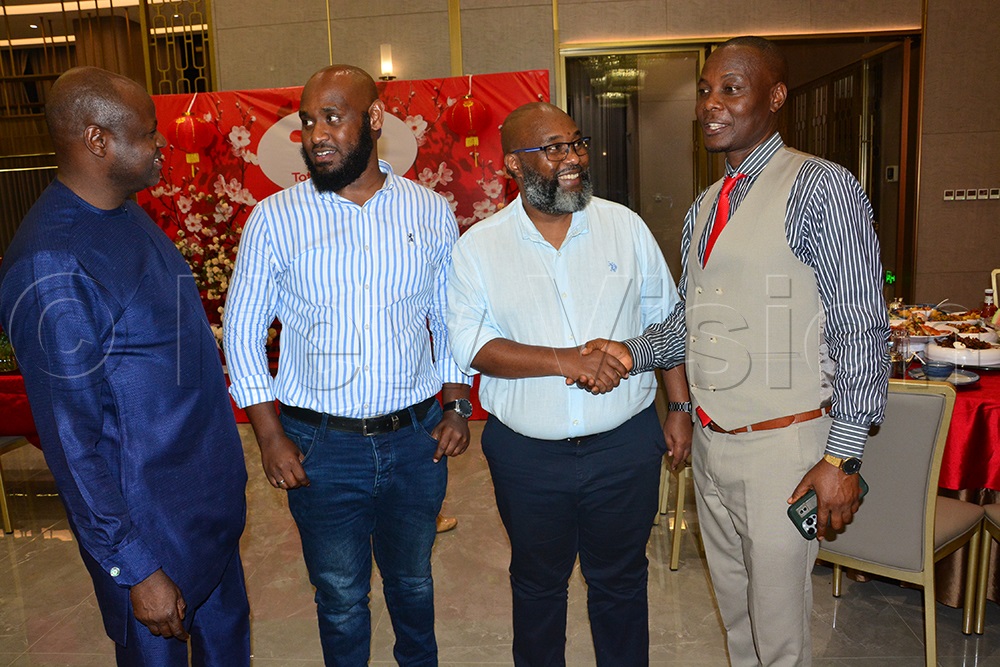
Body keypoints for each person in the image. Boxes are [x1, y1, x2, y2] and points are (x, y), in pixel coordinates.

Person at [590, 36, 889, 666]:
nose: (709, 104)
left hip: (786, 451)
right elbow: (689, 325)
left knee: (780, 638)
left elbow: (861, 327)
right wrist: (627, 352)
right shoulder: (704, 207)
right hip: (711, 445)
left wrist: (844, 457)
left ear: (776, 96)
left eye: (731, 88)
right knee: (738, 624)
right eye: (704, 90)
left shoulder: (821, 188)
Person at [223, 65, 472, 665]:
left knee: (413, 585)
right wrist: (269, 435)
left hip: (416, 443)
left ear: (376, 119)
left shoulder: (429, 212)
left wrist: (458, 402)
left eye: (333, 117)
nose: (317, 134)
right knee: (339, 597)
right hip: (319, 447)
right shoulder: (275, 219)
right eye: (308, 121)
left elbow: (452, 316)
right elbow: (241, 331)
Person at [0, 67, 250, 666]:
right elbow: (72, 441)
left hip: (203, 519)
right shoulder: (52, 264)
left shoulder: (124, 214)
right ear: (97, 141)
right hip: (150, 540)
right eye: (147, 133)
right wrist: (134, 567)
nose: (161, 144)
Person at [446, 101, 691, 666]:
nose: (573, 158)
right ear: (513, 163)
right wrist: (566, 361)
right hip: (527, 457)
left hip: (624, 444)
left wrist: (678, 404)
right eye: (553, 148)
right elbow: (472, 346)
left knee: (622, 582)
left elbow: (666, 319)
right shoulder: (479, 248)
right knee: (536, 585)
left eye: (576, 144)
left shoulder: (624, 227)